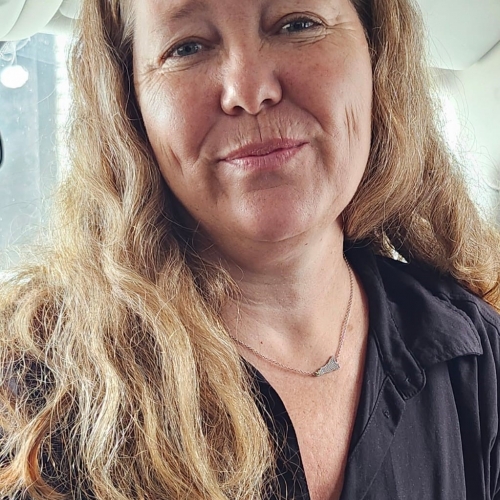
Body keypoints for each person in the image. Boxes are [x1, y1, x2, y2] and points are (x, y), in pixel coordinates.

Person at [1, 0, 500, 498]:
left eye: (297, 24)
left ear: (378, 58)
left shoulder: (480, 357)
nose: (249, 91)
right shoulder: (28, 395)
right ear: (129, 106)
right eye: (186, 48)